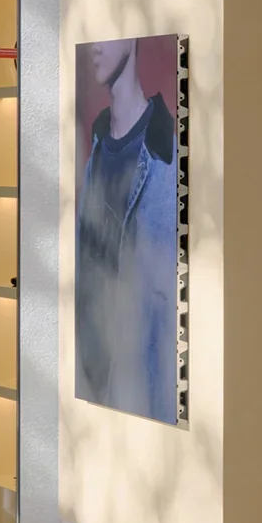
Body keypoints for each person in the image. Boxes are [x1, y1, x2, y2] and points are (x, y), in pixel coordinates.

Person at [76, 36, 180, 423]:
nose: (94, 47)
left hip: (146, 410)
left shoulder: (168, 165)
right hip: (91, 406)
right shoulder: (96, 152)